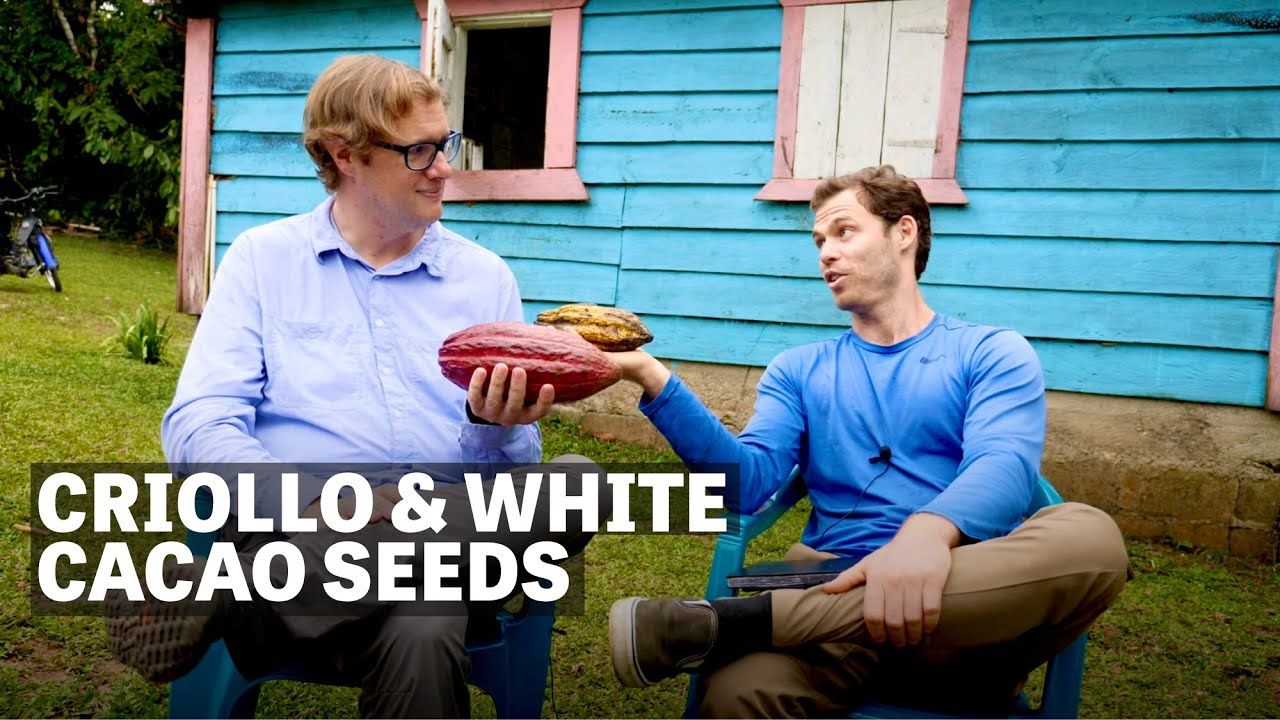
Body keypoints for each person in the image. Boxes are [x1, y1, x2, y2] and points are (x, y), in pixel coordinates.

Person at [104, 54, 608, 718]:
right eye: (420, 151)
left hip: (440, 533)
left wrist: (496, 428)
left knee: (578, 483)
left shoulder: (483, 278)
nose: (445, 168)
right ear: (346, 155)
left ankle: (231, 591)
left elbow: (512, 472)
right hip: (302, 527)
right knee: (426, 623)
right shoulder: (263, 260)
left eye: (445, 144)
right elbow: (199, 424)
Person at [605, 165, 1130, 717]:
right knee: (737, 696)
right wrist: (651, 376)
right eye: (819, 241)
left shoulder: (991, 352)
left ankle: (746, 621)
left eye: (844, 231)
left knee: (1090, 538)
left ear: (904, 232)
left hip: (961, 618)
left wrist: (924, 538)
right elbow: (747, 485)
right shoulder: (797, 370)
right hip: (829, 615)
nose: (826, 253)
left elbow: (1003, 464)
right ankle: (770, 621)